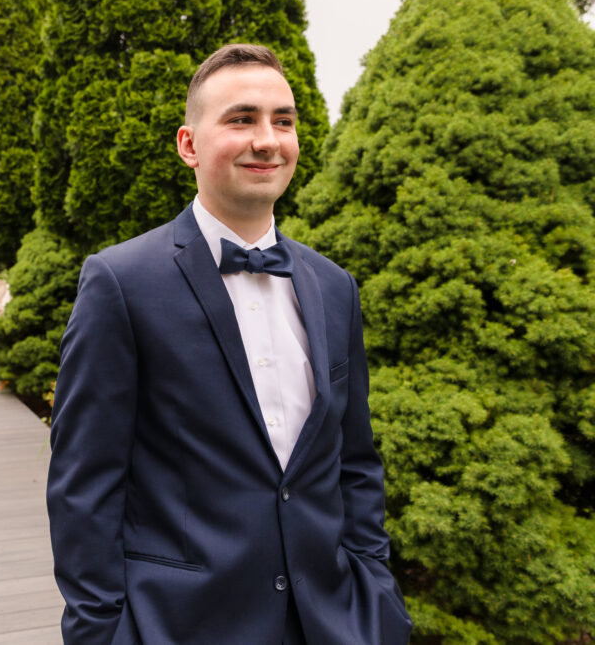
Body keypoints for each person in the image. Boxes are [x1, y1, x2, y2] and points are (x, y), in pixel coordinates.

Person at [46, 44, 412, 644]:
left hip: (333, 621)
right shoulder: (121, 283)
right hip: (180, 624)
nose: (267, 140)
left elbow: (354, 463)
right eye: (241, 119)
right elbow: (84, 485)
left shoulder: (335, 287)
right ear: (189, 144)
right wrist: (99, 634)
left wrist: (376, 595)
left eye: (283, 121)